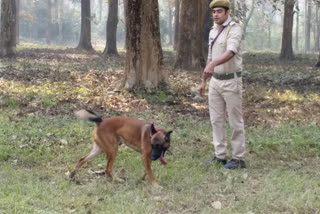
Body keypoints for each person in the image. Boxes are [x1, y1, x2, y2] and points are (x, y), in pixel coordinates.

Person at [198, 0, 246, 169]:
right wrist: (204, 81)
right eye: (214, 12)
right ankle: (220, 156)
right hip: (215, 81)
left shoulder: (235, 29)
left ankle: (239, 158)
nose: (216, 14)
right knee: (216, 120)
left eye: (219, 11)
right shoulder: (213, 31)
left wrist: (212, 64)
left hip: (231, 81)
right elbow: (210, 57)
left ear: (227, 13)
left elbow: (231, 52)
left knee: (235, 121)